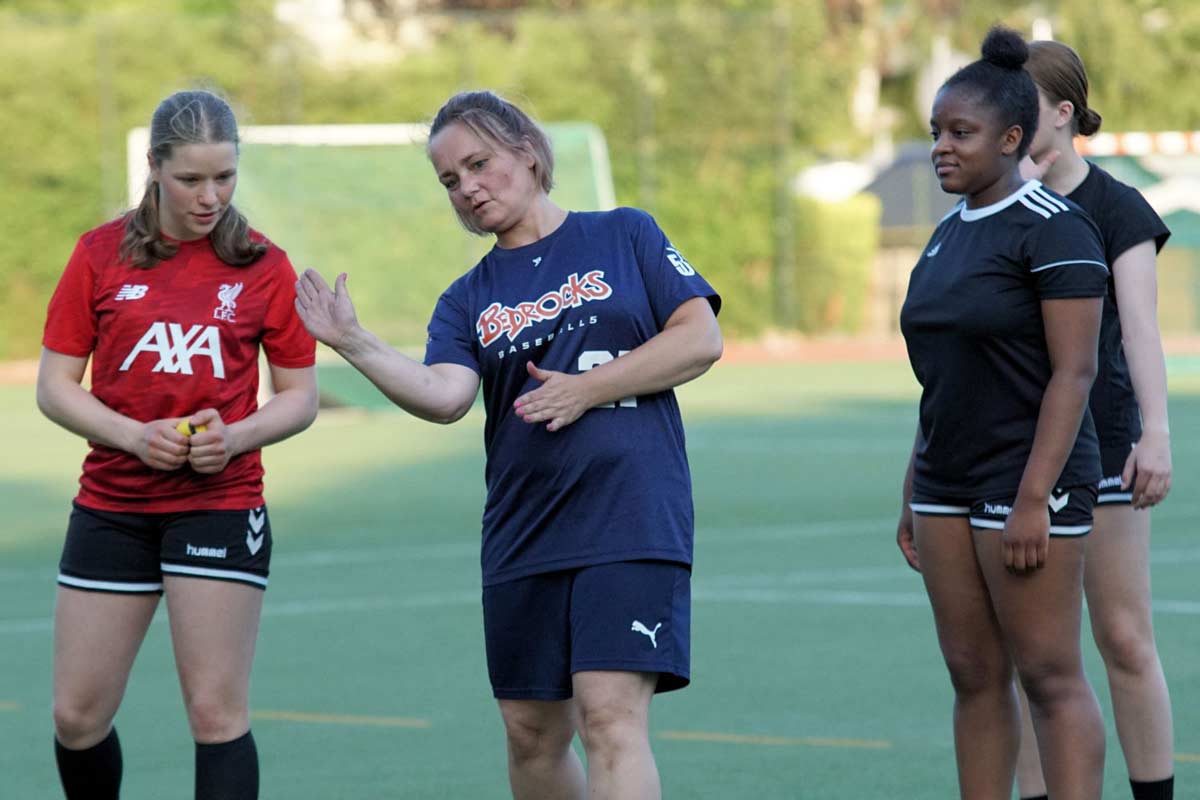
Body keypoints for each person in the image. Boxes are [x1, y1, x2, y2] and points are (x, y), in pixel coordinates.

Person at [293, 90, 722, 800]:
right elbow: (445, 396)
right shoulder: (466, 297)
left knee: (610, 716)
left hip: (630, 515)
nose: (466, 188)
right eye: (449, 180)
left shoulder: (625, 233)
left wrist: (586, 389)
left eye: (478, 163)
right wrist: (353, 341)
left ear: (526, 152)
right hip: (525, 530)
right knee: (530, 735)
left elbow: (699, 338)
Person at [37, 89, 318, 800]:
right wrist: (134, 437)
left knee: (215, 714)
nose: (210, 196)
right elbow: (55, 387)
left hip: (218, 505)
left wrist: (235, 438)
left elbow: (300, 397)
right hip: (112, 505)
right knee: (76, 717)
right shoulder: (99, 254)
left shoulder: (264, 264)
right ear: (155, 168)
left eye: (224, 176)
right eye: (191, 179)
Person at [895, 27, 1109, 800]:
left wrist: (1032, 499)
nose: (941, 148)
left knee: (1048, 676)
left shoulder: (1055, 228)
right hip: (945, 483)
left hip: (1026, 483)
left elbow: (1075, 373)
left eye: (961, 133)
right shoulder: (944, 236)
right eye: (936, 133)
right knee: (973, 676)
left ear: (1012, 139)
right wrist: (913, 488)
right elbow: (941, 378)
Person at [1010, 39, 1176, 800]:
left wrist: (1155, 433)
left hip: (1102, 446)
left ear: (1063, 112)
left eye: (1022, 103)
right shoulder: (999, 205)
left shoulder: (1117, 208)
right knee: (1034, 655)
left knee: (1123, 637)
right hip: (1014, 452)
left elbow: (1140, 330)